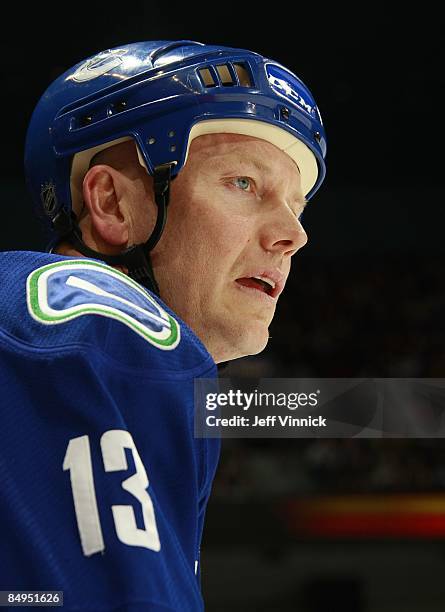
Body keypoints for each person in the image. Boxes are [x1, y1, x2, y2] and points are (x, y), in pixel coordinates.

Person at [0, 40, 326, 610]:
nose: (292, 235)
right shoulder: (103, 324)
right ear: (111, 204)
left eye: (296, 207)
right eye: (243, 184)